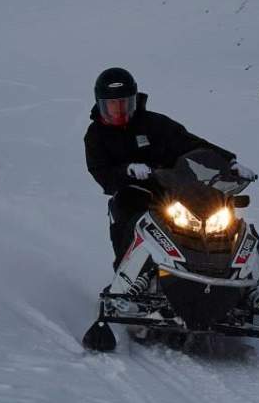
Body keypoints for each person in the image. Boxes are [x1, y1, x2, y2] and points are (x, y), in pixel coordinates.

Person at [83, 67, 235, 265]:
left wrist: (229, 162)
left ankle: (233, 268)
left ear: (134, 100)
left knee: (219, 208)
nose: (119, 109)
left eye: (124, 103)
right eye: (112, 104)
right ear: (102, 105)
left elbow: (191, 143)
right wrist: (127, 170)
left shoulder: (155, 123)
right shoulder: (96, 135)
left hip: (174, 186)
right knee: (125, 210)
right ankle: (131, 274)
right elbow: (101, 172)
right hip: (133, 193)